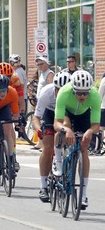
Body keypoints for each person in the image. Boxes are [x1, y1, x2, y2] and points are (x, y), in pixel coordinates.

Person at [53, 70, 100, 210]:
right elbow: (56, 123)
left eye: (85, 93)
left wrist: (90, 131)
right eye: (78, 93)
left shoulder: (95, 96)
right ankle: (59, 161)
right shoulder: (64, 93)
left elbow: (96, 125)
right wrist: (66, 130)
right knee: (64, 127)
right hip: (67, 113)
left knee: (84, 149)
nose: (82, 96)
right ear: (72, 89)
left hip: (84, 115)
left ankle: (83, 194)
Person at [32, 71, 71, 202]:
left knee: (67, 138)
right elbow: (36, 118)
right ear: (54, 87)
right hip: (50, 114)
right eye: (58, 89)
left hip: (65, 115)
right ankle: (43, 186)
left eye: (63, 90)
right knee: (47, 148)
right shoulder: (46, 93)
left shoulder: (73, 94)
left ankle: (65, 164)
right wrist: (39, 131)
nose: (60, 93)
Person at [35, 54, 55, 150]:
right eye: (37, 64)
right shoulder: (42, 73)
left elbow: (52, 87)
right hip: (40, 99)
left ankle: (44, 143)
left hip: (47, 101)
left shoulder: (49, 73)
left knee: (44, 123)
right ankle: (40, 142)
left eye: (41, 64)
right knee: (39, 122)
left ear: (47, 64)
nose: (39, 66)